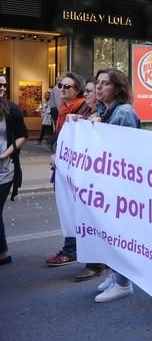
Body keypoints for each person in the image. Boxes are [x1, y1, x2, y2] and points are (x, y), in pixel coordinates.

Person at [91, 69, 141, 303]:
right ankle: (115, 275)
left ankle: (123, 282)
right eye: (98, 83)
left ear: (118, 88)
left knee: (119, 232)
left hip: (121, 185)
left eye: (105, 84)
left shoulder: (123, 112)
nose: (99, 88)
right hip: (109, 182)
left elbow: (125, 150)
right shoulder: (104, 109)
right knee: (109, 232)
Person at [45, 73, 92, 270]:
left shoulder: (84, 109)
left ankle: (72, 250)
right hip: (63, 167)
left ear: (77, 91)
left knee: (72, 210)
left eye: (67, 87)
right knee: (66, 209)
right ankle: (72, 248)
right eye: (60, 86)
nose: (62, 89)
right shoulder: (64, 109)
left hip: (76, 170)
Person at [0, 74, 28, 265]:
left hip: (4, 171)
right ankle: (3, 253)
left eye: (4, 85)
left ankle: (3, 253)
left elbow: (22, 135)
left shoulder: (11, 109)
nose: (3, 88)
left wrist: (6, 154)